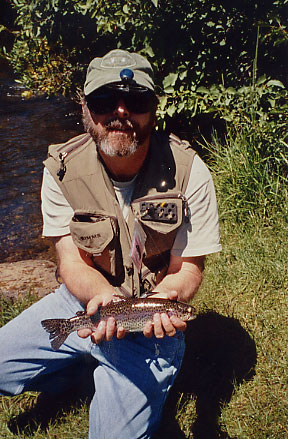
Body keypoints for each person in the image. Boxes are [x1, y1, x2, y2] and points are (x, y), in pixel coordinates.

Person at [0, 49, 222, 438]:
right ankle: (75, 368)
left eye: (136, 101)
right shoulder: (61, 169)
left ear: (153, 108)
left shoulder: (191, 171)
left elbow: (188, 266)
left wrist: (167, 302)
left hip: (150, 320)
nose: (120, 113)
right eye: (105, 101)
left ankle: (108, 367)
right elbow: (70, 262)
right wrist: (101, 296)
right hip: (83, 300)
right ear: (86, 107)